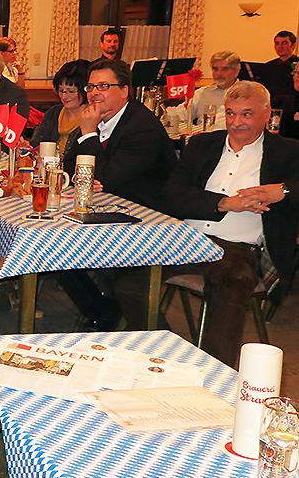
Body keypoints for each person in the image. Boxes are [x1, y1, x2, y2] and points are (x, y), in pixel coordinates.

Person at [163, 81, 299, 367]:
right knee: (125, 269)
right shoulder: (202, 144)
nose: (237, 123)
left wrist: (283, 191)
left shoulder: (287, 151)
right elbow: (172, 195)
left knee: (233, 282)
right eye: (231, 114)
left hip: (237, 249)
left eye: (247, 114)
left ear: (266, 115)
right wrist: (224, 203)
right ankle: (159, 345)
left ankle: (215, 374)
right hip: (185, 239)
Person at [61, 58, 177, 330]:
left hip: (149, 220)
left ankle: (111, 316)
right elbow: (70, 168)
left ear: (125, 90)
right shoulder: (97, 117)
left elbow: (105, 177)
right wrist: (89, 163)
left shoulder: (141, 127)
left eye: (103, 86)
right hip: (109, 210)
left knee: (66, 250)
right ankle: (103, 311)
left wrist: (88, 134)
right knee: (50, 250)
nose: (94, 93)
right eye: (90, 86)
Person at [30, 59, 90, 159]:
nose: (64, 96)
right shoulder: (54, 113)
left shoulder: (92, 117)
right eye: (61, 90)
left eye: (71, 91)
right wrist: (27, 148)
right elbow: (36, 144)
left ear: (85, 90)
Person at [191, 51, 240, 127]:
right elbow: (182, 113)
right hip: (202, 136)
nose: (218, 74)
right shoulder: (202, 93)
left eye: (225, 69)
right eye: (215, 69)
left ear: (236, 71)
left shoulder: (246, 94)